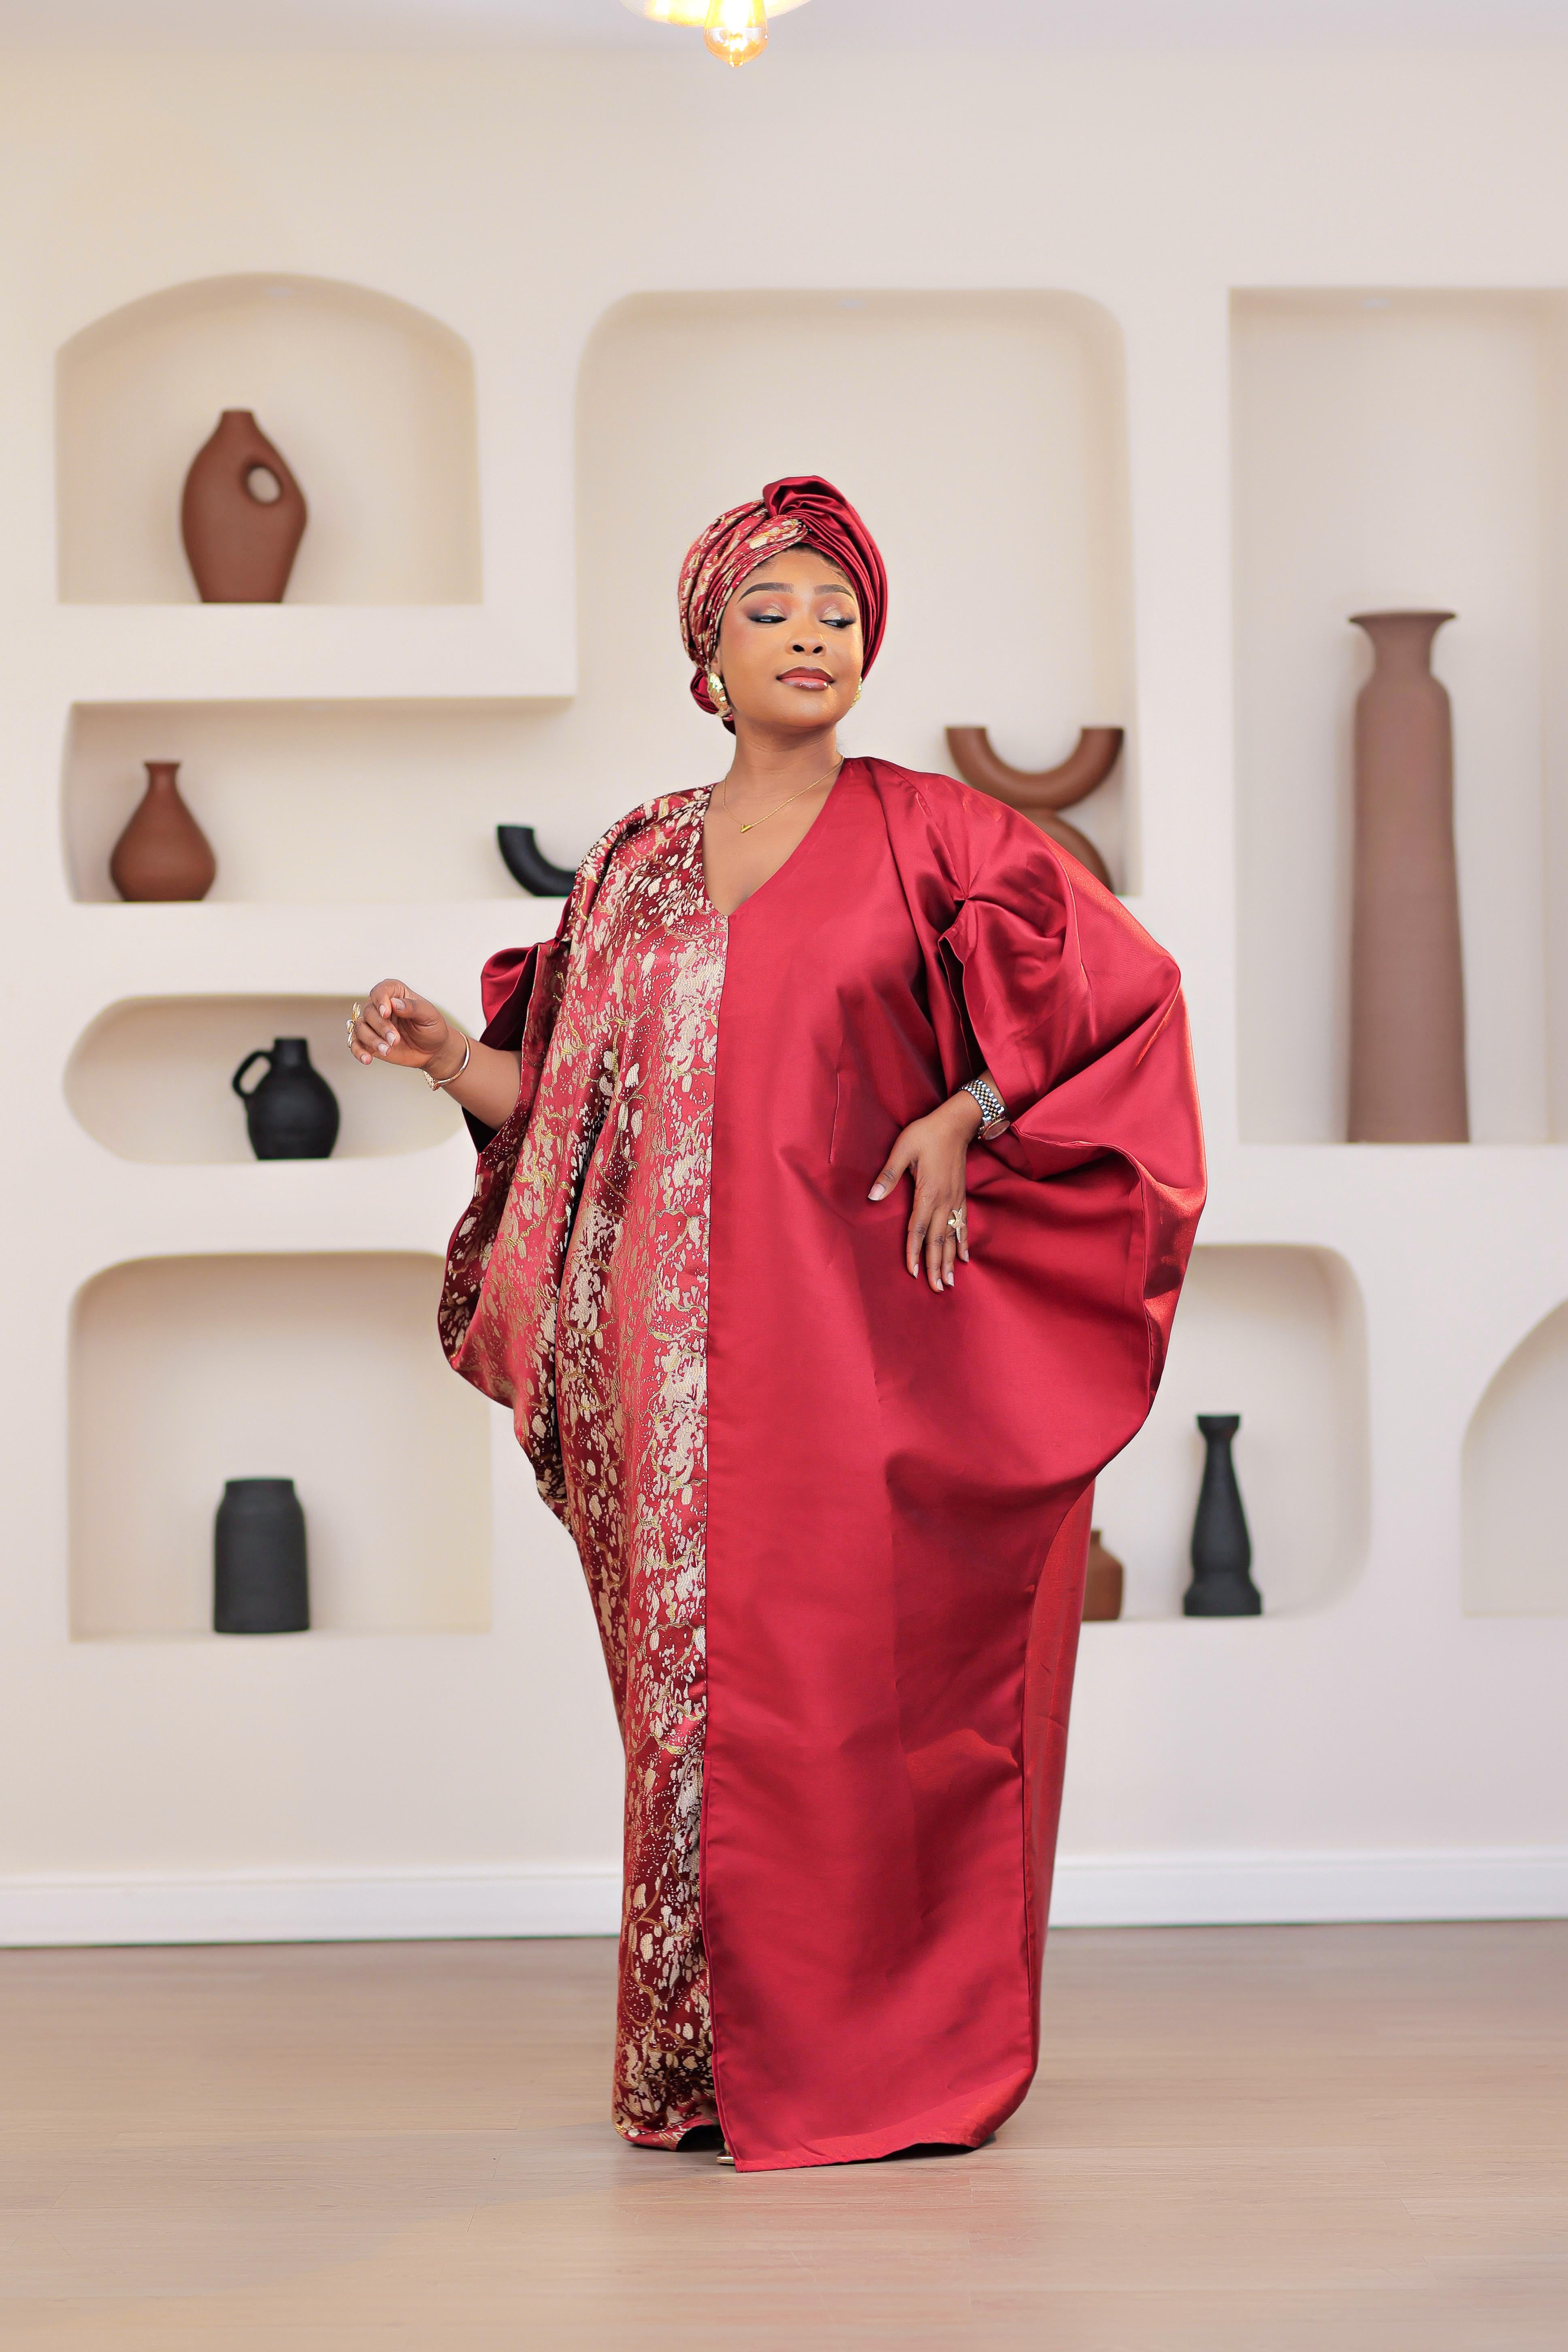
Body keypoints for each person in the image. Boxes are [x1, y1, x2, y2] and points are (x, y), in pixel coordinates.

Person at [349, 475, 1205, 2175]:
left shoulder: (941, 837)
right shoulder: (634, 864)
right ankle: (706, 2069)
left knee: (854, 1713)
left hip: (853, 1371)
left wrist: (965, 1109)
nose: (809, 637)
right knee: (686, 1716)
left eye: (835, 615)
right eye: (771, 613)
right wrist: (453, 1057)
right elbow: (569, 1106)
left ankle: (880, 2063)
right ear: (707, 658)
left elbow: (1116, 1011)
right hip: (658, 1385)